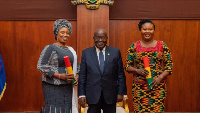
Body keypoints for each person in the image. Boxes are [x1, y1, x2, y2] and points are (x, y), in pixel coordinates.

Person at [124, 19, 173, 112]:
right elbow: (127, 66)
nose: (147, 31)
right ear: (140, 30)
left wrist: (160, 78)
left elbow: (169, 65)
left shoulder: (162, 45)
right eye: (144, 29)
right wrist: (137, 70)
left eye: (150, 29)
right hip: (140, 88)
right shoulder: (134, 46)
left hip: (158, 87)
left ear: (154, 30)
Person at [78, 28, 127, 113]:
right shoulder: (86, 53)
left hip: (110, 95)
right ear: (93, 38)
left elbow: (120, 74)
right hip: (92, 94)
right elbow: (82, 75)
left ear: (107, 38)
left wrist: (121, 92)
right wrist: (82, 94)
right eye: (97, 37)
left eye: (103, 37)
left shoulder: (115, 52)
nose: (100, 40)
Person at [37, 19, 79, 113]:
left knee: (66, 110)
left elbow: (77, 68)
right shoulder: (50, 48)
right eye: (62, 32)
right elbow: (41, 66)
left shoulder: (71, 50)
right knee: (54, 110)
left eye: (67, 33)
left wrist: (76, 77)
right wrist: (60, 76)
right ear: (56, 33)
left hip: (68, 87)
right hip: (52, 87)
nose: (65, 35)